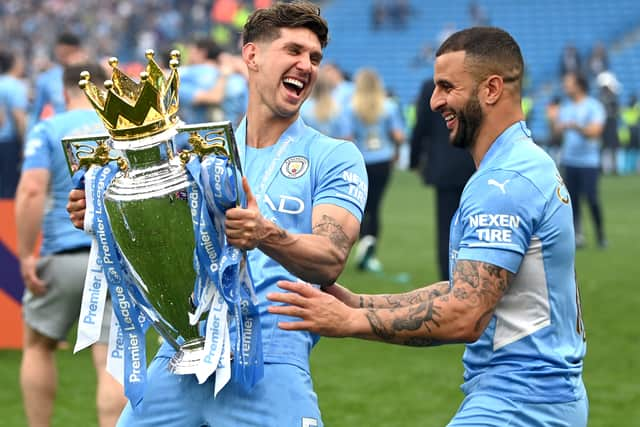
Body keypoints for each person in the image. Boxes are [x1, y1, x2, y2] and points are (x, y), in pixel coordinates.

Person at [268, 27, 588, 427]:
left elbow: (465, 314)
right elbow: (466, 287)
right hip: (534, 397)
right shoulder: (521, 164)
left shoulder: (504, 183)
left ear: (491, 89)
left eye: (446, 87)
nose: (435, 102)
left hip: (522, 403)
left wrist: (350, 322)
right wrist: (360, 303)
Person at [66, 2, 367, 426]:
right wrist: (106, 213)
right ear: (252, 55)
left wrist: (266, 233)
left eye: (315, 57)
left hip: (269, 360)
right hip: (182, 353)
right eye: (294, 51)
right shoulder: (194, 155)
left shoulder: (334, 156)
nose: (307, 65)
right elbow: (163, 242)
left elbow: (330, 258)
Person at [16, 63, 126, 427]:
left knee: (38, 346)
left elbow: (32, 189)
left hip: (63, 257)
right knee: (111, 358)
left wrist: (27, 254)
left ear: (64, 93)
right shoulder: (122, 130)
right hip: (117, 260)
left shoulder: (49, 128)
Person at [409, 77, 475, 281]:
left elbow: (421, 126)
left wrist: (414, 160)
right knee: (474, 224)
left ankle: (448, 279)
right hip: (473, 163)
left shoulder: (431, 86)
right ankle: (474, 276)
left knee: (447, 229)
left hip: (444, 166)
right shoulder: (473, 82)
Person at [345, 68, 404, 273]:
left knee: (360, 207)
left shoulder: (351, 107)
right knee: (376, 207)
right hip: (382, 159)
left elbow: (347, 137)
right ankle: (370, 251)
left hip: (360, 160)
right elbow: (398, 135)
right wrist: (396, 151)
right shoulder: (388, 106)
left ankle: (362, 246)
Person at [551, 71, 607, 248]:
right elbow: (556, 134)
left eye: (568, 83)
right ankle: (577, 236)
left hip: (589, 162)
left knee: (591, 198)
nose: (565, 86)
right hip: (570, 160)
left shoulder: (593, 106)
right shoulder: (565, 107)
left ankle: (600, 234)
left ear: (579, 85)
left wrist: (576, 127)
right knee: (571, 201)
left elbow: (595, 132)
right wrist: (553, 122)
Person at [29, 32, 86, 129]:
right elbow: (36, 113)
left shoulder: (91, 74)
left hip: (87, 130)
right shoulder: (47, 79)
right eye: (61, 54)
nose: (64, 57)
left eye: (68, 53)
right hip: (60, 132)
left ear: (78, 51)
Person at [0, 49, 28, 198]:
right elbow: (19, 117)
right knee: (10, 188)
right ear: (14, 64)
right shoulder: (16, 86)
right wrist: (25, 144)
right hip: (9, 143)